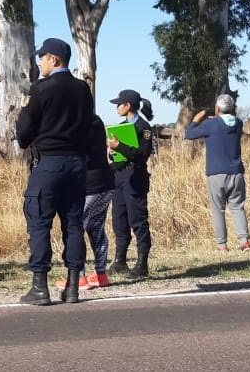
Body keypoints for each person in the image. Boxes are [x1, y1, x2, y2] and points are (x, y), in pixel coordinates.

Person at [15, 38, 95, 305]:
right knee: (73, 224)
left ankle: (40, 286)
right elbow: (89, 124)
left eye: (43, 58)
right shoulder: (83, 89)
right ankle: (72, 286)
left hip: (49, 163)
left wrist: (27, 134)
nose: (40, 62)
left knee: (39, 222)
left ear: (55, 60)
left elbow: (24, 131)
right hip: (76, 164)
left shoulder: (41, 89)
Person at [184, 93, 250, 252]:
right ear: (232, 108)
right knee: (237, 208)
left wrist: (197, 118)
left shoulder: (210, 125)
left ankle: (222, 245)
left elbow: (189, 134)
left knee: (218, 209)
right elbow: (227, 122)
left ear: (217, 109)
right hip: (236, 173)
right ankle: (244, 242)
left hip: (216, 173)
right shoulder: (238, 124)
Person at [55, 115, 116, 292]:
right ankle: (101, 274)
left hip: (89, 184)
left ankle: (79, 277)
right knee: (96, 228)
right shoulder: (95, 119)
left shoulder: (77, 122)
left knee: (76, 228)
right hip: (106, 181)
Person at [107, 89, 154, 278]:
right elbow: (122, 157)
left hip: (135, 178)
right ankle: (120, 261)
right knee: (119, 220)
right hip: (119, 178)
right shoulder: (120, 127)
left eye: (119, 104)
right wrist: (112, 155)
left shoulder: (145, 128)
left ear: (128, 106)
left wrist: (120, 147)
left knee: (138, 220)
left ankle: (142, 264)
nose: (117, 107)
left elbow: (141, 155)